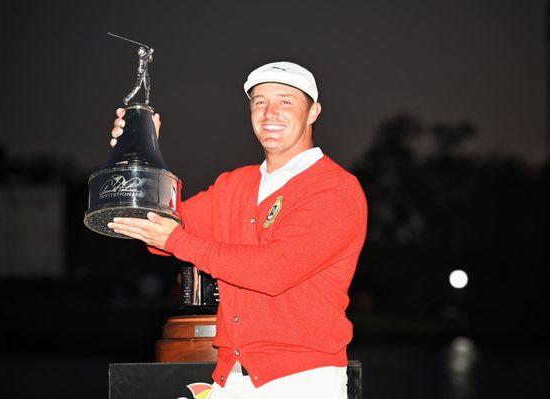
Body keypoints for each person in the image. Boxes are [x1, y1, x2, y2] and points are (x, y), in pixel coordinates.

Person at [107, 61, 367, 399]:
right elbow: (163, 226)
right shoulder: (235, 184)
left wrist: (176, 240)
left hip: (303, 381)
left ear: (313, 111)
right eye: (259, 102)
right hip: (231, 379)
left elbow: (272, 271)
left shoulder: (335, 189)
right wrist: (140, 153)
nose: (270, 113)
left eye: (285, 101)